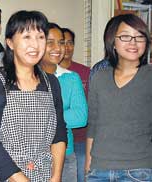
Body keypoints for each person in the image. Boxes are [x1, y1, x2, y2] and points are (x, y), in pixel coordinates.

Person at [0, 10, 67, 182]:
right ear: (10, 42)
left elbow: (59, 134)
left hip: (45, 173)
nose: (35, 44)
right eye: (27, 37)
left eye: (41, 37)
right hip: (5, 175)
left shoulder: (51, 83)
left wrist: (56, 177)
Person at [86, 14, 152, 181]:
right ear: (112, 42)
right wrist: (88, 166)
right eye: (125, 36)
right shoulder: (99, 77)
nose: (133, 42)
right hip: (99, 170)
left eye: (139, 37)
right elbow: (93, 125)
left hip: (139, 171)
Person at [40, 23, 88, 182]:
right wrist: (61, 116)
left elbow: (80, 117)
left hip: (66, 156)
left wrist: (41, 118)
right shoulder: (26, 76)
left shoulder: (71, 77)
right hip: (33, 157)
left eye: (61, 42)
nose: (58, 47)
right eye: (50, 42)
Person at [59, 27, 90, 182]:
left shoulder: (84, 72)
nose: (66, 47)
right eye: (62, 42)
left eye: (70, 42)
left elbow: (84, 112)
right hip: (62, 140)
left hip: (83, 137)